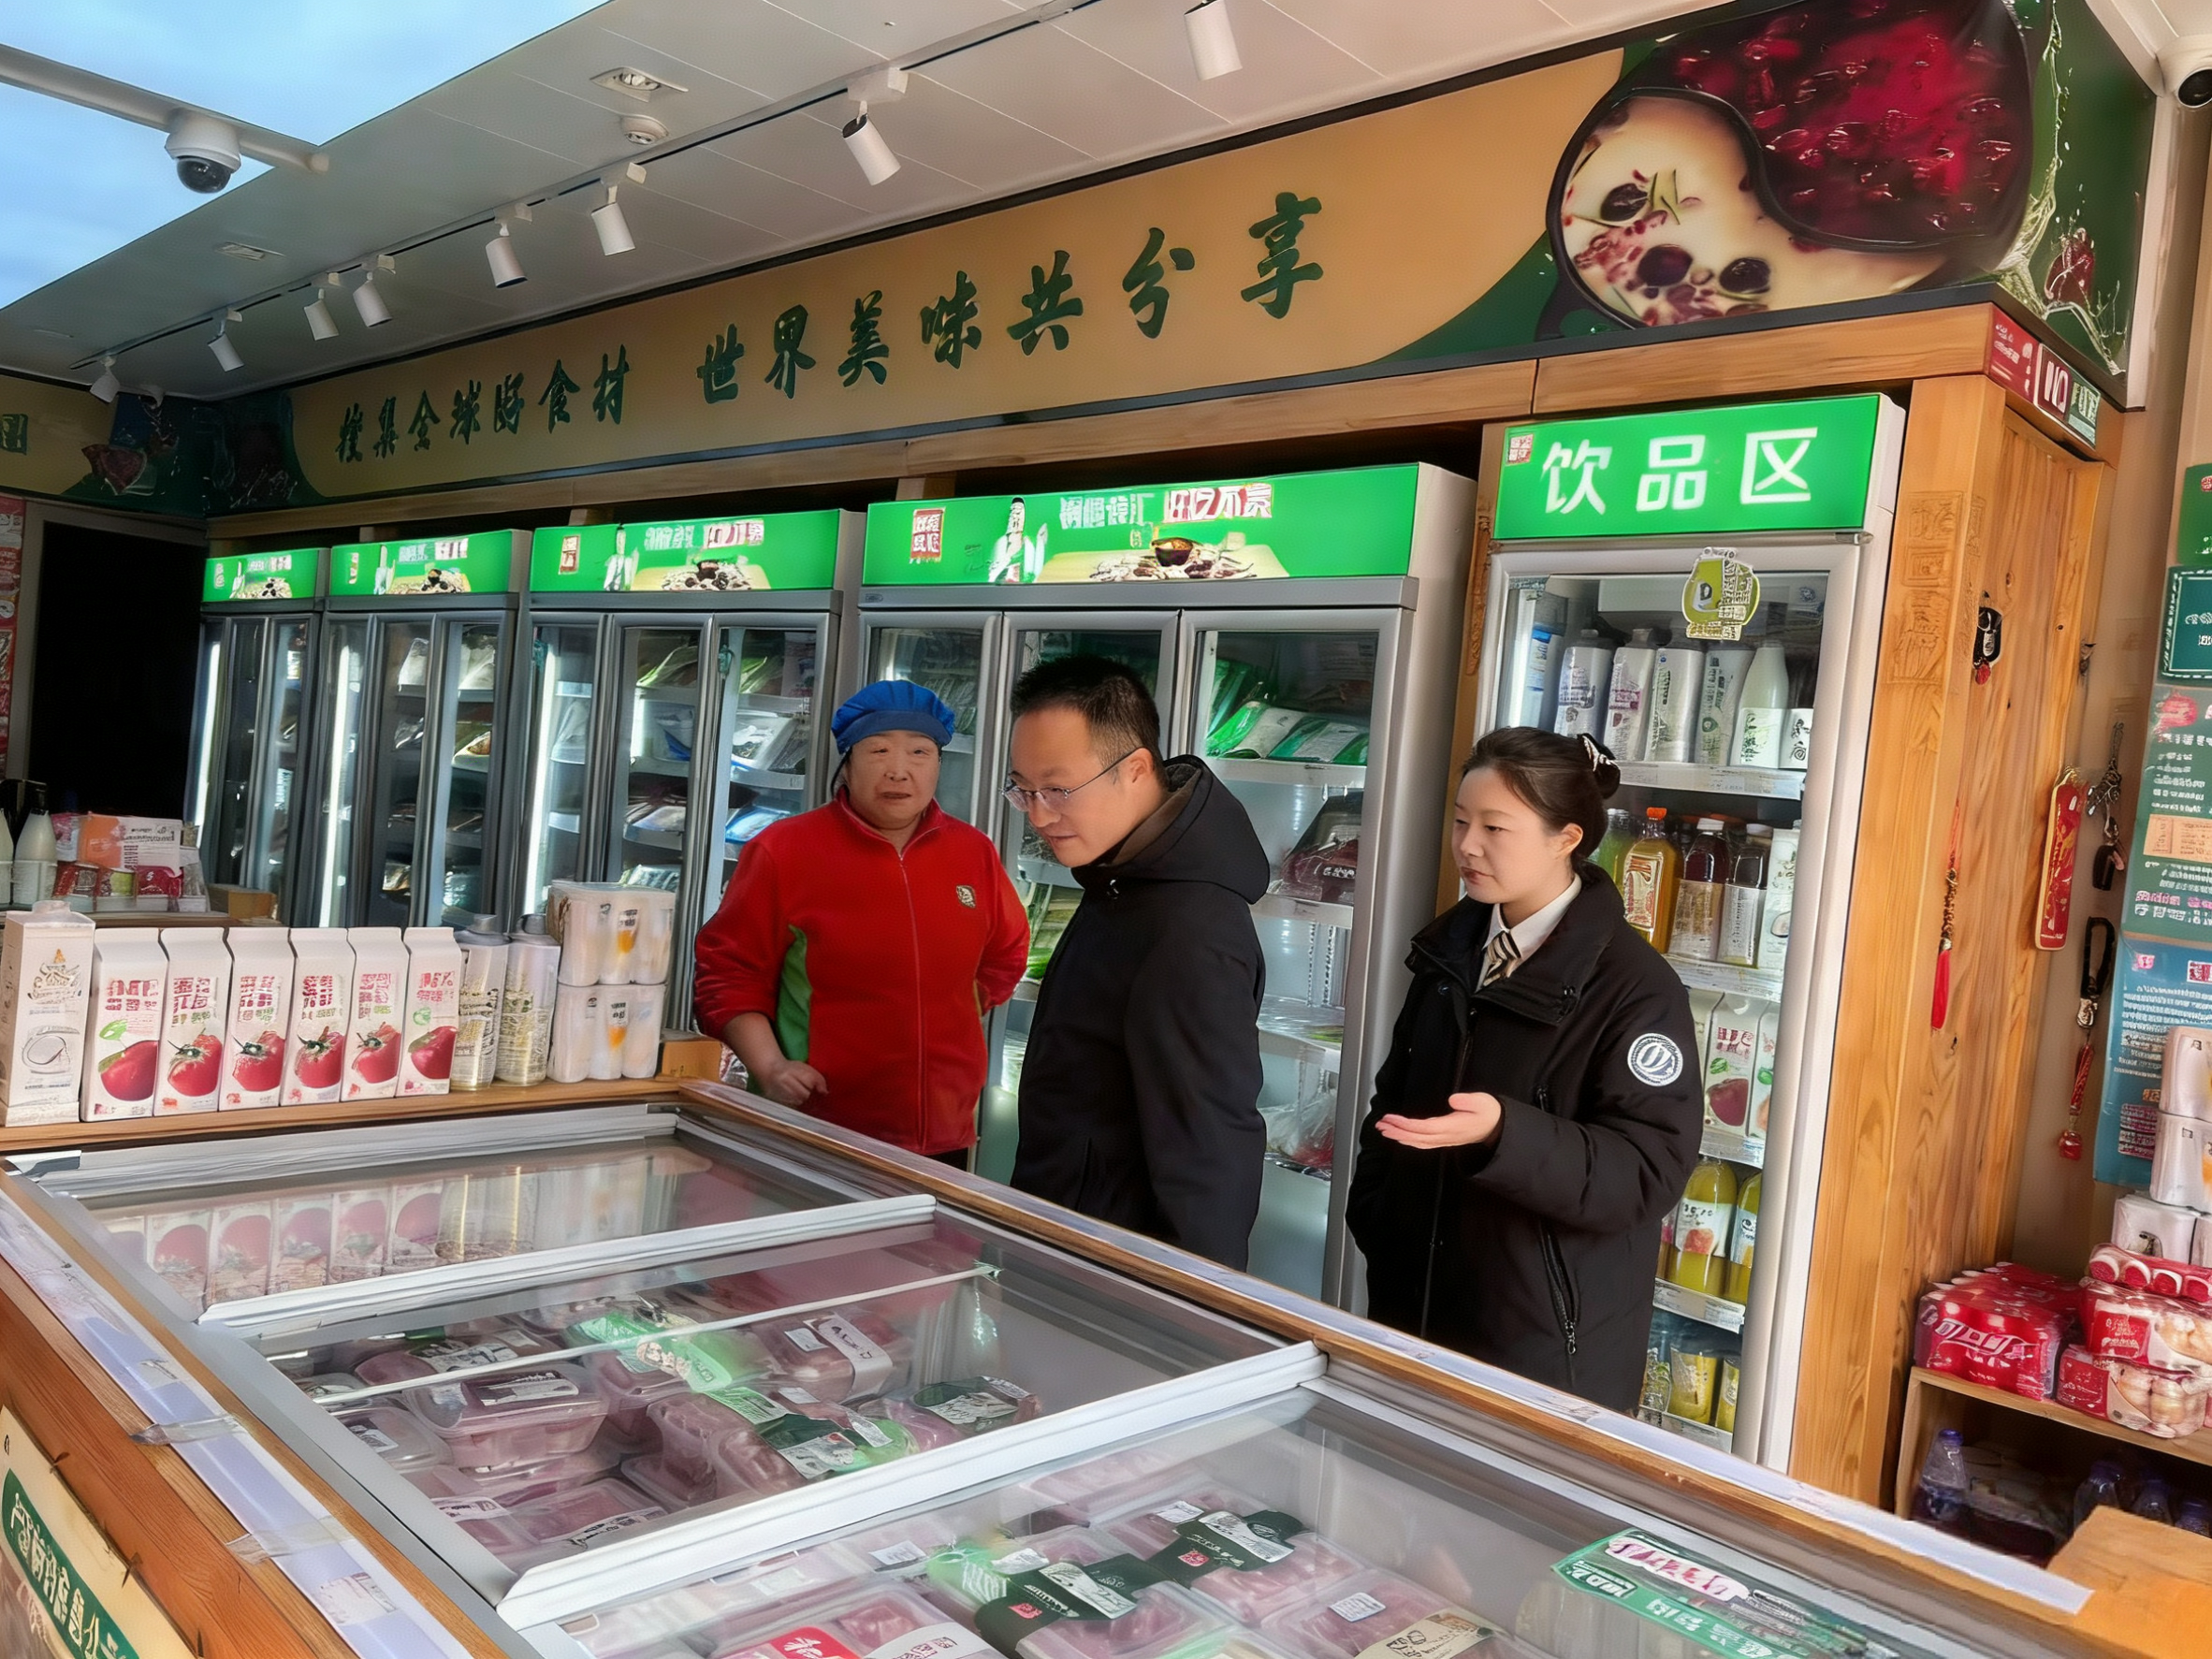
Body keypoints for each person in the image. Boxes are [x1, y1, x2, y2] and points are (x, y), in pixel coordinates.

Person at [1345, 727, 1700, 1410]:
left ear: (1567, 838)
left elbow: (1647, 1170)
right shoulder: (1451, 950)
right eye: (1460, 821)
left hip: (1542, 1347)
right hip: (1410, 1312)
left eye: (1495, 827)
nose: (1467, 845)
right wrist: (1379, 1217)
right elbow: (1393, 1100)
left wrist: (1506, 1133)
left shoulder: (1636, 988)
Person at [692, 678, 1028, 1164]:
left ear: (938, 765)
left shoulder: (972, 851)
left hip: (945, 1127)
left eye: (919, 752)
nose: (898, 770)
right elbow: (728, 972)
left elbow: (1007, 951)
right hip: (818, 1118)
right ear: (846, 766)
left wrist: (945, 1017)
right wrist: (771, 1068)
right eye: (878, 750)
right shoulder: (784, 851)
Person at [1005, 655, 1269, 1267]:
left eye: (1058, 790)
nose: (1039, 814)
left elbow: (1210, 1154)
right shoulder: (1120, 877)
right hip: (1065, 1244)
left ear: (1136, 769)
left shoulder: (1190, 928)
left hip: (1116, 1278)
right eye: (1023, 790)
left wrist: (1197, 1307)